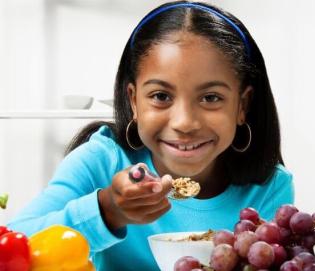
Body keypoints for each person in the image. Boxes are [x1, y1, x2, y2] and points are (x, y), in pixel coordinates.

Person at [8, 1, 294, 270]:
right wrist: (108, 210)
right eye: (160, 96)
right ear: (133, 101)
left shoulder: (269, 188)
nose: (184, 122)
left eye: (210, 97)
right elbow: (12, 246)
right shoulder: (100, 161)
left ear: (242, 105)